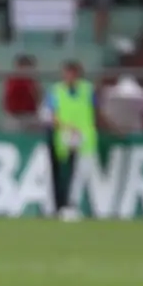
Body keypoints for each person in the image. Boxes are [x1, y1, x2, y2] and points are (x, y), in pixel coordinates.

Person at [42, 60, 101, 221]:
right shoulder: (55, 91)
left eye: (72, 73)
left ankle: (72, 205)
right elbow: (50, 115)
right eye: (66, 73)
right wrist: (65, 126)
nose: (69, 77)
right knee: (63, 173)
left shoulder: (87, 90)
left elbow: (95, 112)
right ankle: (60, 206)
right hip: (64, 137)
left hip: (85, 137)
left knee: (82, 173)